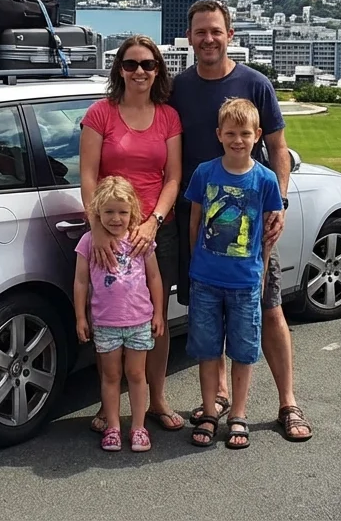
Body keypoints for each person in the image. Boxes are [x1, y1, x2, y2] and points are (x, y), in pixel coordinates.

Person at [169, 0, 314, 442]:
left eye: (216, 31)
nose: (208, 39)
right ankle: (217, 399)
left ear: (230, 35)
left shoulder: (256, 83)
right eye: (200, 32)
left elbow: (278, 149)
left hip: (253, 228)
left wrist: (280, 203)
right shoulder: (178, 88)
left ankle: (287, 401)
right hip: (197, 220)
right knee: (208, 312)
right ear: (189, 37)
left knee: (268, 308)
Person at [78, 35, 186, 433]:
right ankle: (109, 408)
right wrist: (97, 228)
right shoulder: (100, 114)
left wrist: (153, 220)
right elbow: (88, 175)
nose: (139, 71)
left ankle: (155, 400)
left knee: (153, 320)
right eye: (130, 64)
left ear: (158, 69)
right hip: (108, 232)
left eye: (147, 64)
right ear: (118, 69)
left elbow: (173, 177)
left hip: (156, 233)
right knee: (108, 316)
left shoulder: (168, 117)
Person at [184, 98, 283, 449]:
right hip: (206, 280)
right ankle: (210, 411)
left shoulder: (265, 179)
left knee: (243, 351)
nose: (237, 140)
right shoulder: (205, 173)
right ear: (219, 135)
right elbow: (196, 220)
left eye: (244, 133)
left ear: (257, 135)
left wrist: (259, 270)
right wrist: (195, 264)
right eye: (230, 133)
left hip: (244, 280)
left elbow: (268, 234)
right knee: (208, 349)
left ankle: (238, 413)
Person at [73, 176, 167, 452]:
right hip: (105, 323)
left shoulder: (140, 241)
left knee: (137, 375)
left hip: (139, 320)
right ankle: (113, 426)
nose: (116, 218)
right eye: (109, 212)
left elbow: (155, 278)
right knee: (111, 377)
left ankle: (138, 427)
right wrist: (81, 316)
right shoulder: (89, 242)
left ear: (132, 213)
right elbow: (80, 281)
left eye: (123, 212)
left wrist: (159, 313)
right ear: (97, 213)